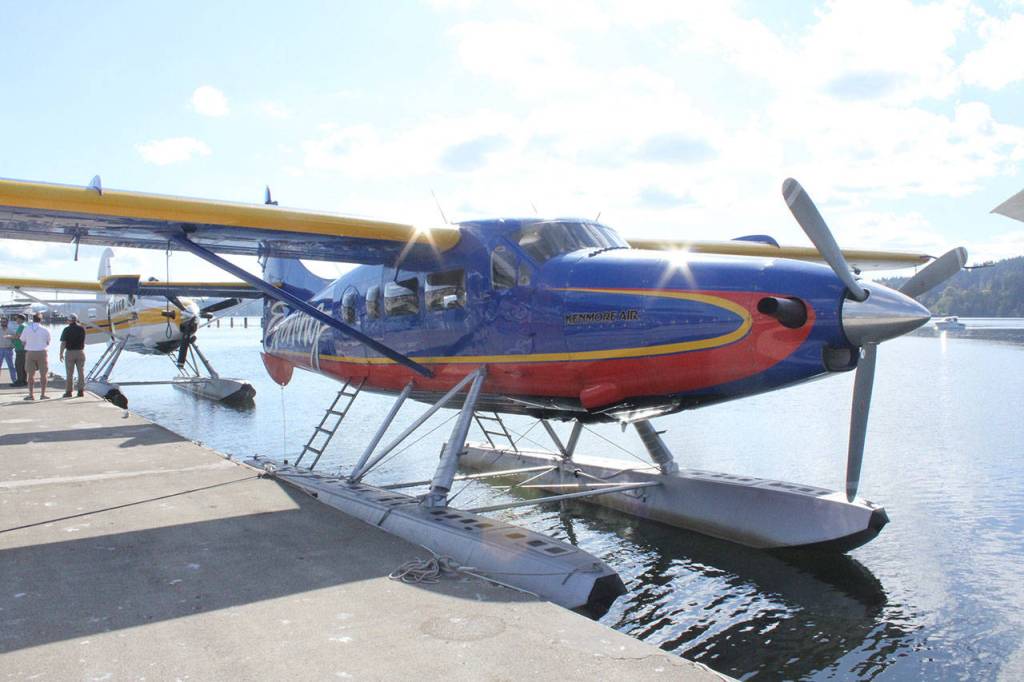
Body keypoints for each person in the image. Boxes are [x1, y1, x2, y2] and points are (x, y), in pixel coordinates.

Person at [20, 312, 51, 400]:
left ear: (32, 320)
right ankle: (43, 394)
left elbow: (22, 341)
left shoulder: (26, 329)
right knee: (43, 374)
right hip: (42, 352)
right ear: (41, 320)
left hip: (30, 352)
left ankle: (31, 394)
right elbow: (48, 342)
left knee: (30, 375)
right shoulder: (45, 329)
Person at [59, 313, 87, 397]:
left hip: (70, 352)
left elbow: (63, 343)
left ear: (69, 321)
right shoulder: (82, 329)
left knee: (69, 373)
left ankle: (69, 392)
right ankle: (81, 391)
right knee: (81, 372)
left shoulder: (66, 330)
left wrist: (61, 353)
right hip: (80, 352)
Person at [10, 313, 27, 387]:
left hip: (20, 349)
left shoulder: (21, 326)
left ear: (20, 319)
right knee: (23, 365)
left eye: (16, 318)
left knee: (18, 365)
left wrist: (9, 337)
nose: (15, 320)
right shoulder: (25, 326)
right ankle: (24, 380)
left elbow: (17, 336)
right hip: (23, 348)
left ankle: (20, 381)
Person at [0, 317, 17, 385]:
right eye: (2, 322)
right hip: (0, 349)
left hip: (8, 350)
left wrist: (13, 346)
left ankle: (14, 380)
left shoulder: (11, 330)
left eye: (4, 322)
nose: (3, 323)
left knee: (11, 366)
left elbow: (16, 338)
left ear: (7, 322)